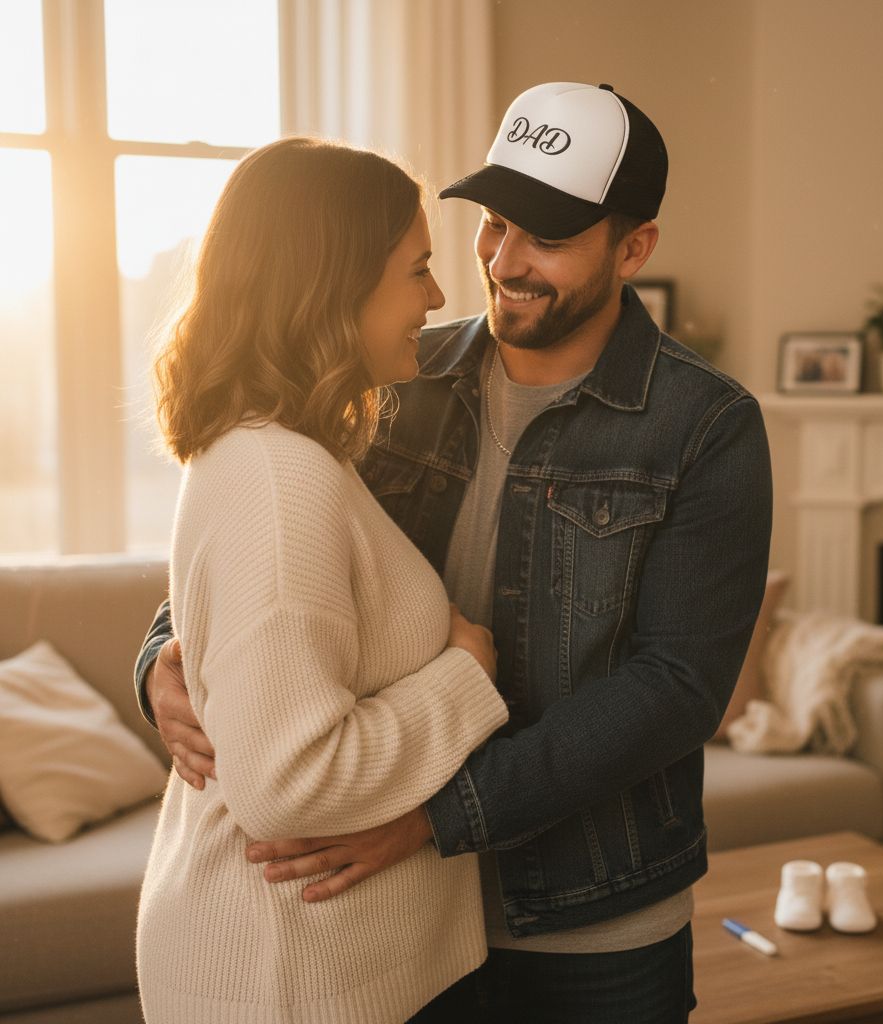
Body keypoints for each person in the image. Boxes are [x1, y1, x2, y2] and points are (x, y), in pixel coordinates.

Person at [136, 83, 773, 1023]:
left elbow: (676, 688)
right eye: (493, 223)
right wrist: (158, 658)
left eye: (546, 236)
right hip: (405, 930)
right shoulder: (391, 369)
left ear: (633, 248)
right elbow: (257, 549)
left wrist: (437, 820)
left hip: (588, 921)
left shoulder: (706, 426)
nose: (502, 262)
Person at [134, 137, 510, 1024]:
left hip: (308, 969)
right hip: (284, 979)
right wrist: (468, 674)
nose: (439, 297)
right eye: (416, 269)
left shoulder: (285, 456)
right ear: (333, 284)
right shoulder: (278, 480)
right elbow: (288, 785)